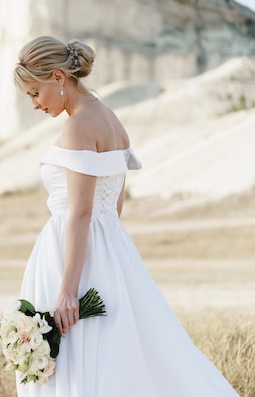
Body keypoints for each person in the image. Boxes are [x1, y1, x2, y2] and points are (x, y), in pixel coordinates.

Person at [13, 36, 240, 396]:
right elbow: (114, 206)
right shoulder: (111, 120)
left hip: (73, 258)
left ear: (58, 77)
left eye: (34, 93)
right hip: (111, 252)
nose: (35, 104)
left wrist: (69, 291)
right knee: (122, 353)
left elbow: (81, 212)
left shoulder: (78, 126)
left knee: (79, 361)